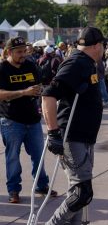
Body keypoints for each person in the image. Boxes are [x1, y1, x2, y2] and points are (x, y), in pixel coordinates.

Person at [41, 27, 104, 225]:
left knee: (77, 191)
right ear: (96, 46)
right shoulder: (77, 62)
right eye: (102, 45)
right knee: (82, 193)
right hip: (72, 135)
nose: (103, 49)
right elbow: (48, 95)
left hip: (84, 137)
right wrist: (52, 132)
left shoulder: (87, 62)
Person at [0, 36, 57, 203]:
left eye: (24, 51)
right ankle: (13, 190)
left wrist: (39, 91)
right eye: (19, 52)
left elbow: (38, 85)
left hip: (33, 120)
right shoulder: (2, 69)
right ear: (9, 52)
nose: (23, 55)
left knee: (38, 156)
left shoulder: (30, 65)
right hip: (11, 121)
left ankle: (42, 185)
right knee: (12, 157)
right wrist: (23, 92)